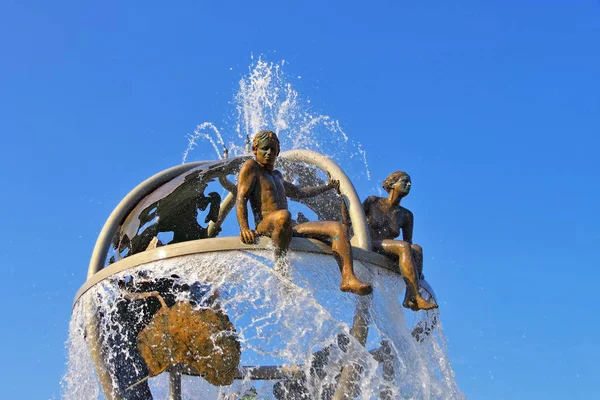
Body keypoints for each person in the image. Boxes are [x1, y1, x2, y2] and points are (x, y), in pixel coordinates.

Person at [236, 130, 372, 296]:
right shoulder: (251, 167)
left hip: (286, 225)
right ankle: (281, 264)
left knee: (338, 229)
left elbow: (299, 192)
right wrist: (244, 228)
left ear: (278, 151)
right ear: (255, 149)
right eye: (265, 148)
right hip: (266, 225)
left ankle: (348, 278)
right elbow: (241, 197)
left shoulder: (277, 175)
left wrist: (327, 187)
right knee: (283, 215)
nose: (269, 153)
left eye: (273, 149)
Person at [363, 171, 437, 310]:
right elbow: (353, 220)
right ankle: (417, 296)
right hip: (369, 242)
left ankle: (410, 297)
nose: (408, 185)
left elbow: (409, 242)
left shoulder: (406, 215)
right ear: (392, 184)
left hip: (388, 248)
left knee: (417, 249)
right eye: (404, 181)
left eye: (410, 183)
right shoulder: (373, 201)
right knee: (403, 247)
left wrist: (416, 269)